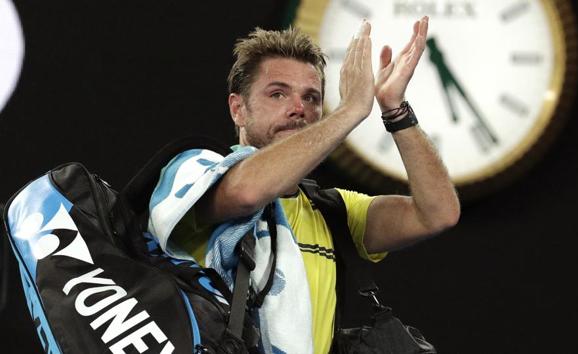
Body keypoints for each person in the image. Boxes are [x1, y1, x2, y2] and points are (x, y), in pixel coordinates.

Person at [150, 17, 459, 354]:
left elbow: (438, 213)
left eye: (312, 98)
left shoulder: (333, 212)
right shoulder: (195, 168)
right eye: (278, 93)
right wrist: (352, 108)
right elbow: (245, 193)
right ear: (238, 109)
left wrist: (395, 110)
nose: (299, 108)